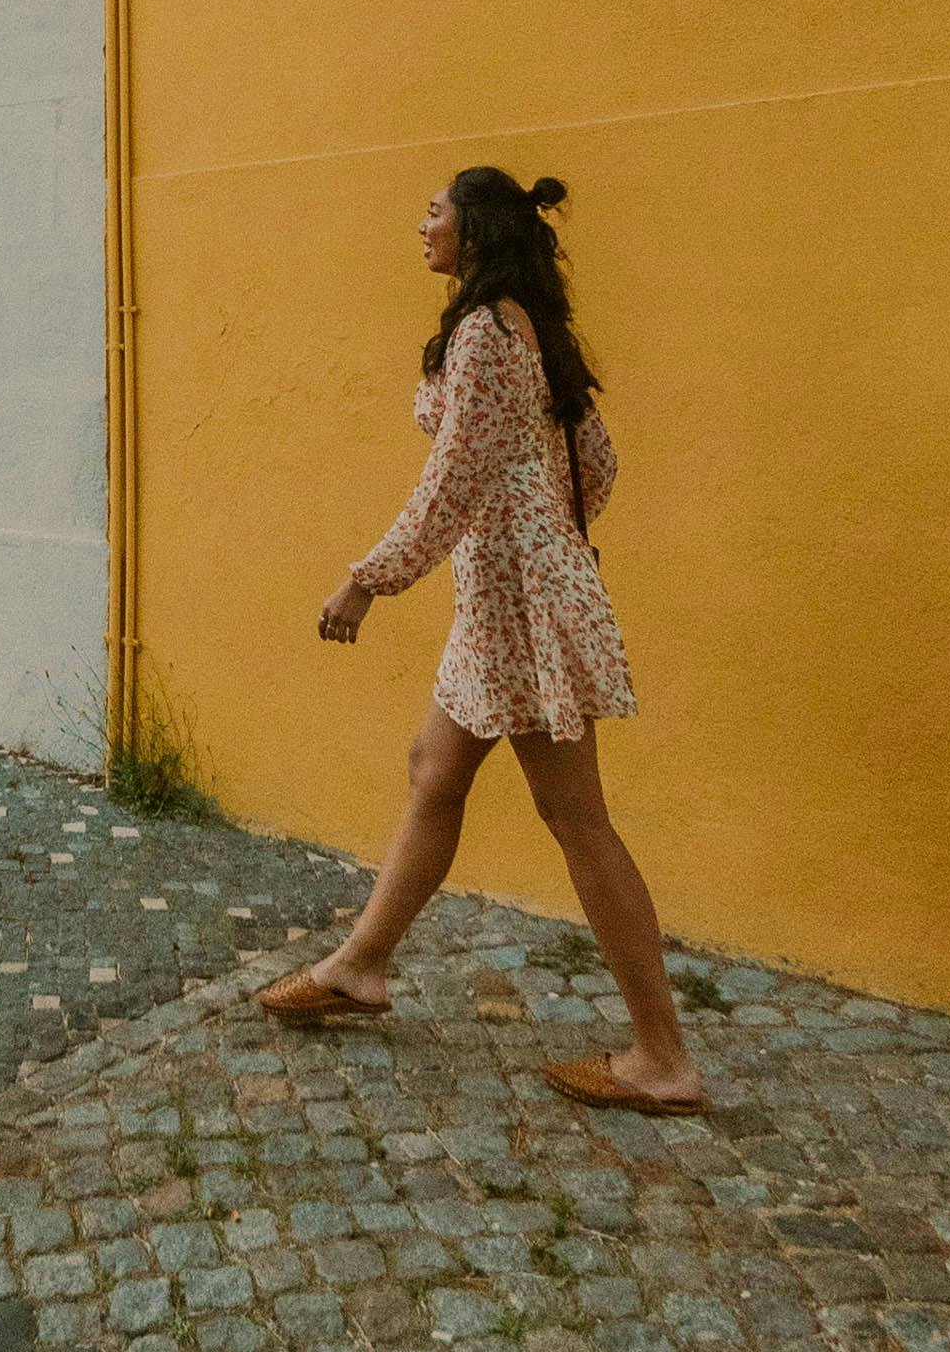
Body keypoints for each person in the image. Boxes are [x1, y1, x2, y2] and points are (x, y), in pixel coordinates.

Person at [256, 167, 707, 1114]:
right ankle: (360, 967)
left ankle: (663, 1060)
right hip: (517, 596)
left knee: (579, 822)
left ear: (475, 227)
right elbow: (597, 461)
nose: (421, 224)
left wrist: (365, 580)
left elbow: (451, 483)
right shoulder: (526, 326)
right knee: (435, 769)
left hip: (524, 608)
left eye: (433, 210)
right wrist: (540, 527)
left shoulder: (481, 336)